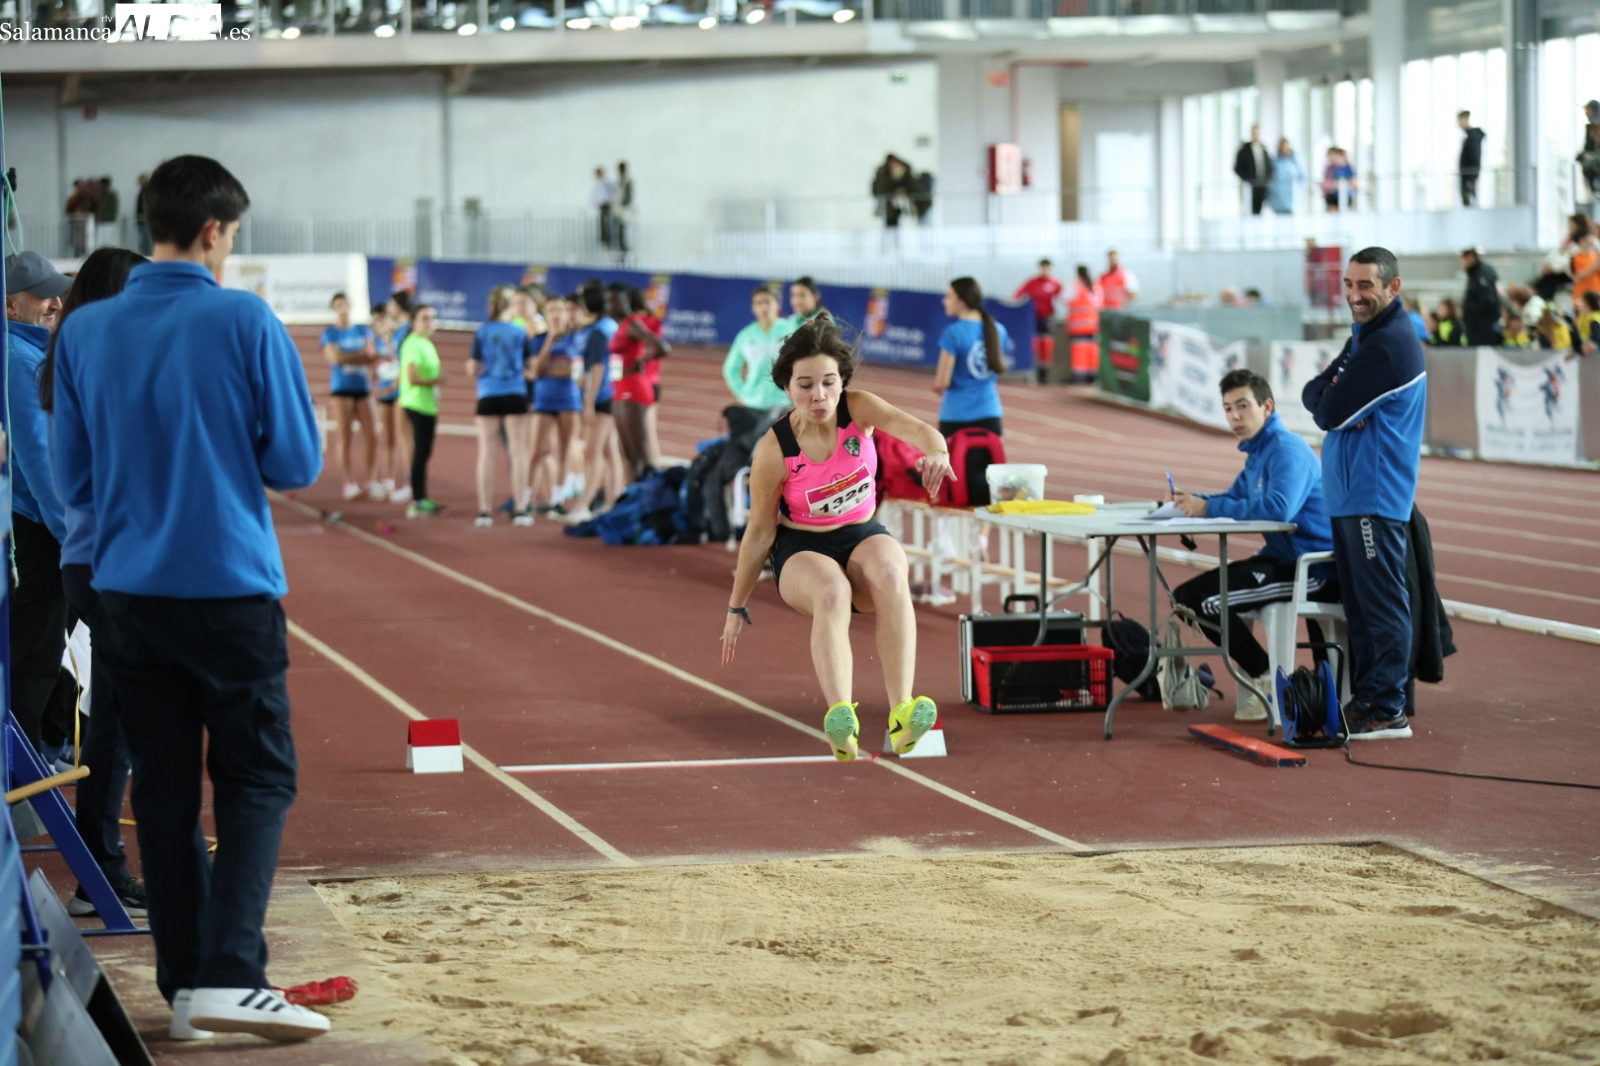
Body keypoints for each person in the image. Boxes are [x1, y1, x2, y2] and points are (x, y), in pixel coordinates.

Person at [50, 154, 329, 1039]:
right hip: (228, 587)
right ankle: (234, 974)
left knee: (163, 786)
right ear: (214, 231)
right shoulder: (243, 318)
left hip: (126, 589)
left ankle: (186, 989)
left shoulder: (85, 332)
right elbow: (295, 463)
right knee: (256, 777)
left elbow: (72, 482)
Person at [720, 313, 957, 762]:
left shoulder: (859, 408)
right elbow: (758, 533)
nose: (819, 395)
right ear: (787, 388)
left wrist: (938, 454)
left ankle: (902, 713)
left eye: (829, 382)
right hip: (802, 547)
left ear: (842, 381)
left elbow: (919, 431)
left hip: (862, 532)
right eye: (805, 385)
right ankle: (840, 719)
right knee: (831, 592)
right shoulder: (775, 449)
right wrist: (736, 605)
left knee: (891, 570)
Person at [38, 247, 152, 920]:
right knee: (121, 725)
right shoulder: (94, 369)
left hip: (94, 558)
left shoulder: (69, 363)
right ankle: (100, 872)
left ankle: (98, 872)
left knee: (116, 719)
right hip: (110, 561)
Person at [1301, 246, 1427, 742]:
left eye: (1365, 286)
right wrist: (1329, 391)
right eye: (1349, 285)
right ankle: (1369, 699)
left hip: (1373, 495)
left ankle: (1387, 707)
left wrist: (1330, 393)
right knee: (1360, 606)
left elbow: (1328, 412)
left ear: (1392, 288)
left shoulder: (1387, 346)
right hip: (1352, 495)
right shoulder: (1366, 335)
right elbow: (1315, 390)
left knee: (1380, 604)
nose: (1354, 295)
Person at [1170, 369, 1336, 721]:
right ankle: (1262, 674)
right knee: (1186, 597)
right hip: (1280, 560)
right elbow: (1233, 497)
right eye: (1228, 408)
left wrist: (1208, 508)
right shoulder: (1257, 454)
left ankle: (1265, 677)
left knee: (1201, 601)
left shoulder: (1286, 449)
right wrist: (1190, 502)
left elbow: (1279, 509)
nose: (1234, 417)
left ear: (1267, 406)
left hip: (1314, 568)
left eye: (1243, 406)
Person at [5, 251, 75, 758]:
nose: (55, 302)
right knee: (35, 655)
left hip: (34, 523)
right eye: (44, 295)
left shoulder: (29, 352)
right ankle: (21, 783)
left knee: (43, 647)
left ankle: (39, 753)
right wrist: (69, 533)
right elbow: (37, 455)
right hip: (36, 527)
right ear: (11, 305)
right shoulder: (17, 358)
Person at [469, 285, 536, 527]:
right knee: (518, 452)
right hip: (515, 392)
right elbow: (530, 366)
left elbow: (473, 367)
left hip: (488, 393)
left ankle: (484, 511)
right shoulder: (520, 332)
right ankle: (521, 508)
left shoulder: (482, 331)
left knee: (486, 452)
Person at [564, 286, 625, 524]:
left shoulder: (599, 331)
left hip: (603, 397)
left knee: (594, 450)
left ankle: (584, 504)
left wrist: (587, 402)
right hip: (610, 393)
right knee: (609, 451)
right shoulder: (609, 326)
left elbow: (598, 368)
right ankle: (612, 500)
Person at [527, 293, 584, 518]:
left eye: (560, 310)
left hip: (569, 401)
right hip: (543, 400)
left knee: (564, 450)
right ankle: (526, 500)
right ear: (545, 315)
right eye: (551, 311)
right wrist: (550, 342)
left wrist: (551, 370)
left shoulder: (575, 339)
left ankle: (557, 500)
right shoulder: (538, 340)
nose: (556, 315)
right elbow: (536, 370)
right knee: (536, 452)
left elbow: (575, 372)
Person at [320, 292, 379, 501]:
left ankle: (370, 480)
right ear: (334, 309)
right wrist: (358, 357)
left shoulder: (363, 330)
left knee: (372, 435)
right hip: (341, 389)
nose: (343, 309)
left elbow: (371, 356)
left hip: (363, 388)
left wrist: (348, 358)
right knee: (344, 435)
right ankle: (349, 482)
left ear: (351, 306)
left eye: (346, 304)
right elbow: (335, 358)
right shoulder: (330, 333)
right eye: (338, 305)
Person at [934, 277, 1010, 436]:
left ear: (961, 300)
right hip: (990, 413)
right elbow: (997, 366)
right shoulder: (998, 330)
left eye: (948, 296)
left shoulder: (953, 333)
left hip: (956, 416)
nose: (944, 301)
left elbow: (942, 382)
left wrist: (938, 387)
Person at [608, 283, 668, 479]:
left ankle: (652, 498)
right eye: (608, 301)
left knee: (640, 453)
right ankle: (632, 498)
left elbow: (662, 348)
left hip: (633, 388)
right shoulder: (622, 325)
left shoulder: (633, 323)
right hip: (621, 387)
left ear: (627, 302)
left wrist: (640, 361)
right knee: (628, 454)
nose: (611, 305)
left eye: (615, 300)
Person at [400, 305, 445, 518]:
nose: (429, 322)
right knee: (420, 453)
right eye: (424, 318)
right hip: (416, 404)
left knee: (424, 453)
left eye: (432, 318)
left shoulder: (427, 343)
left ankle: (421, 497)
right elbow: (412, 377)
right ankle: (417, 500)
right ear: (414, 322)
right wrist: (436, 380)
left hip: (428, 404)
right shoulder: (413, 344)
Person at [723, 285, 796, 412]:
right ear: (753, 307)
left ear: (777, 304)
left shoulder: (791, 330)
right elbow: (730, 368)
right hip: (753, 403)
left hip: (784, 403)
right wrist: (741, 393)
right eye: (758, 303)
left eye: (767, 302)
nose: (763, 307)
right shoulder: (746, 335)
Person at [369, 302, 405, 501]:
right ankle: (387, 478)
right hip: (384, 393)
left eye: (381, 320)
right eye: (375, 321)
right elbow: (374, 367)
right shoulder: (376, 342)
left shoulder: (398, 339)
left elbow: (400, 360)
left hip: (398, 392)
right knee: (387, 436)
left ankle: (397, 478)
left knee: (400, 437)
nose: (378, 324)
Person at [385, 290, 416, 503]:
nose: (388, 307)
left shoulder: (408, 330)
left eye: (391, 304)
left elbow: (405, 361)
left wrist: (395, 383)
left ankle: (412, 484)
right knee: (404, 438)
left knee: (406, 439)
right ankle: (412, 483)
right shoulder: (401, 330)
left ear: (398, 306)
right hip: (400, 388)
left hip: (404, 390)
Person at [1012, 258, 1062, 382]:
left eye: (1047, 268)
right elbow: (1018, 295)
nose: (1045, 270)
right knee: (1034, 345)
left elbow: (1065, 298)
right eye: (1042, 268)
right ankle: (1033, 371)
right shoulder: (1032, 283)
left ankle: (1044, 373)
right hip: (1033, 319)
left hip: (1047, 318)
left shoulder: (1055, 284)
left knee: (1046, 345)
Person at [1063, 265, 1100, 384]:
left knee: (1079, 356)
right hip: (1094, 328)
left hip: (1078, 328)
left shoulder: (1075, 287)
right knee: (1093, 354)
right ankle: (1094, 379)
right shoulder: (1096, 287)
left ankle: (1079, 379)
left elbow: (1063, 298)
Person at [1460, 247, 1502, 347]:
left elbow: (1487, 301)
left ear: (1470, 258)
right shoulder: (1475, 275)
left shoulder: (1482, 275)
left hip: (1482, 329)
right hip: (1476, 327)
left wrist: (1469, 310)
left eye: (1463, 261)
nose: (1462, 265)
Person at [1233, 124, 1274, 216]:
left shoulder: (1264, 150)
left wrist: (1267, 179)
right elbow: (1237, 168)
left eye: (1258, 133)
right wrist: (1247, 178)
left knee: (1260, 211)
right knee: (1249, 210)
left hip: (1262, 186)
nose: (1256, 135)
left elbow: (1269, 167)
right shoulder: (1244, 150)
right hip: (1249, 186)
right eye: (1254, 133)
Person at [1266, 137, 1304, 214]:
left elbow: (1303, 177)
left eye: (1286, 147)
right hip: (1278, 199)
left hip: (1292, 198)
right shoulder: (1274, 161)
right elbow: (1270, 180)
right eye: (1283, 147)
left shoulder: (1295, 160)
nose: (1285, 149)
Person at [1458, 111, 1485, 208]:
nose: (1459, 124)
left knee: (1469, 197)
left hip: (1469, 175)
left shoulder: (1473, 138)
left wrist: (1471, 176)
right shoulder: (1470, 137)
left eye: (1460, 120)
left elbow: (1474, 158)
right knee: (1468, 196)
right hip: (1468, 174)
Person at [1577, 100, 1600, 200]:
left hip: (1595, 156)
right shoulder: (1590, 126)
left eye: (1588, 110)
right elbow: (1587, 146)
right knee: (1584, 161)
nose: (1586, 113)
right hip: (1592, 155)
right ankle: (1593, 191)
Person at [1321, 147, 1356, 212]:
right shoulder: (1330, 168)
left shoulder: (1349, 168)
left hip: (1346, 196)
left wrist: (1338, 185)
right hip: (1332, 197)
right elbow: (1326, 182)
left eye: (1333, 156)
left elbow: (1354, 184)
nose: (1331, 158)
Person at [590, 166, 615, 249]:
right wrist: (598, 204)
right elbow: (594, 199)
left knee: (608, 225)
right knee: (602, 226)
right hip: (601, 208)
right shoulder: (596, 185)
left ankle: (609, 242)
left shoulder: (608, 183)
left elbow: (613, 194)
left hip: (608, 207)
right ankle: (605, 242)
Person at [613, 161, 634, 259]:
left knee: (623, 231)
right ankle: (620, 252)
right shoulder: (617, 181)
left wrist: (623, 204)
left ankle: (624, 252)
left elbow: (629, 197)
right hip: (617, 210)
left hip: (624, 210)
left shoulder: (628, 181)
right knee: (617, 231)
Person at [134, 172, 152, 255]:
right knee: (143, 241)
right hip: (142, 220)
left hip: (145, 220)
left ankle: (147, 255)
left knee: (145, 241)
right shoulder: (144, 192)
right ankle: (145, 254)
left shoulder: (146, 192)